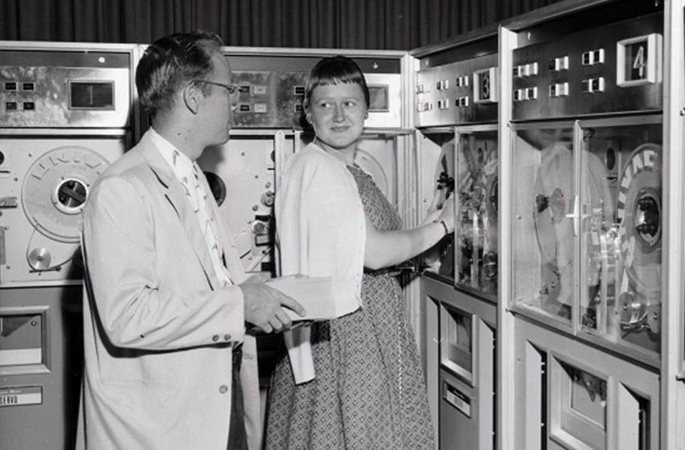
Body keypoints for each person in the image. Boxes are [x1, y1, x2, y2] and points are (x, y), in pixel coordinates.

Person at [76, 31, 304, 450]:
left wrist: (260, 292)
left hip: (216, 399)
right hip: (161, 426)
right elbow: (127, 316)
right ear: (195, 97)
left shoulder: (191, 175)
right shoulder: (122, 189)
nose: (234, 101)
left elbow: (202, 281)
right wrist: (241, 303)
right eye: (228, 89)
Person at [265, 56, 454, 449]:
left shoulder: (336, 168)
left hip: (351, 331)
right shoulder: (322, 169)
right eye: (325, 104)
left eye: (349, 103)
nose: (338, 115)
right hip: (352, 337)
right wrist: (444, 224)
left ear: (367, 109)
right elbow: (375, 253)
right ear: (308, 114)